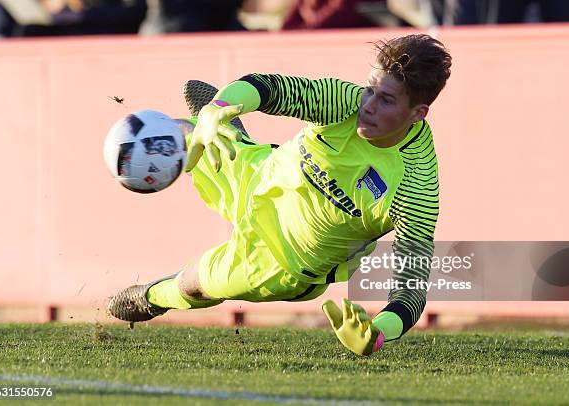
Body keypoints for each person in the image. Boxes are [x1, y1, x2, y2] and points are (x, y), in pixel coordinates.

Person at [109, 34, 452, 356]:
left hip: (281, 259)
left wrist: (377, 334)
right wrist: (220, 106)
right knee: (186, 132)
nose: (369, 106)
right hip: (260, 175)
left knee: (195, 285)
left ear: (418, 113)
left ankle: (151, 297)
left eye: (386, 100)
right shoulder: (348, 102)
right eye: (370, 90)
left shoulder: (415, 186)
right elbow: (269, 88)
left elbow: (410, 289)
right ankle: (226, 126)